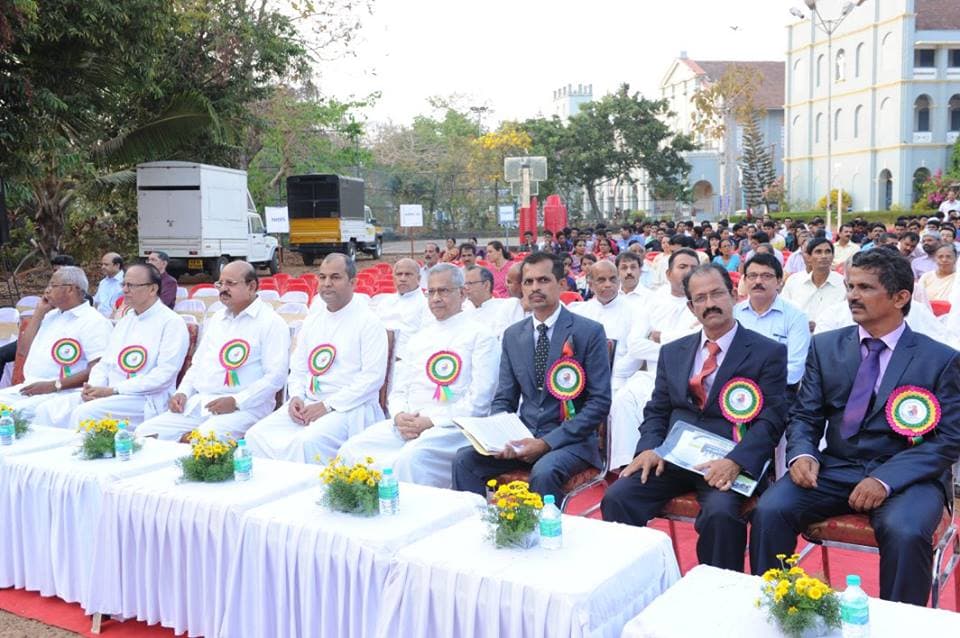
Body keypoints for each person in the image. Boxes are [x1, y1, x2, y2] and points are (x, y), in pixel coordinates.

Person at [751, 249, 960, 605]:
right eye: (849, 286)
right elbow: (805, 414)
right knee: (770, 510)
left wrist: (885, 479)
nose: (851, 295)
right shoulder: (825, 347)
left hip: (908, 478)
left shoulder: (940, 360)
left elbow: (949, 440)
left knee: (906, 532)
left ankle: (899, 624)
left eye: (865, 287)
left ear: (900, 297)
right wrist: (801, 453)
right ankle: (775, 610)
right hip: (836, 468)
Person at [601, 263, 787, 572]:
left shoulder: (767, 352)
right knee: (619, 496)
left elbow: (772, 420)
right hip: (673, 457)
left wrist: (737, 461)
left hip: (727, 461)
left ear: (733, 295)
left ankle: (716, 590)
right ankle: (635, 582)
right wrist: (648, 448)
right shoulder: (674, 351)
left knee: (721, 515)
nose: (710, 303)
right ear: (690, 306)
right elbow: (658, 409)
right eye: (700, 298)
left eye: (717, 294)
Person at [451, 252, 612, 499]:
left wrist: (546, 443)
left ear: (561, 284)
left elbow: (599, 403)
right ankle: (481, 530)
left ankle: (544, 537)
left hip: (570, 441)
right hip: (522, 437)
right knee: (464, 460)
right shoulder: (513, 335)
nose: (535, 288)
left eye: (543, 280)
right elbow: (504, 398)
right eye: (528, 282)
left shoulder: (588, 332)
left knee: (544, 471)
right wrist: (498, 437)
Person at [338, 264, 499, 486]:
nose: (436, 298)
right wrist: (399, 416)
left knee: (411, 459)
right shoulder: (418, 339)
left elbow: (480, 401)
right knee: (352, 449)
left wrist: (431, 421)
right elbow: (399, 390)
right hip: (408, 424)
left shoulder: (481, 336)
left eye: (443, 291)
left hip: (453, 427)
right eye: (430, 292)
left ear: (462, 293)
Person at [244, 254, 387, 462]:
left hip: (349, 407)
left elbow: (372, 379)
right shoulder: (313, 321)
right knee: (255, 436)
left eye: (335, 277)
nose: (327, 284)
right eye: (322, 277)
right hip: (309, 403)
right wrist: (296, 397)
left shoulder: (369, 322)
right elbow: (299, 368)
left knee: (306, 443)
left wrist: (327, 405)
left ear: (353, 283)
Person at [136, 261, 289, 441]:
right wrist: (183, 392)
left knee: (203, 438)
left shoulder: (272, 323)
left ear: (252, 286)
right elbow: (198, 364)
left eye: (230, 284)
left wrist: (236, 401)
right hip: (201, 403)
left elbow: (276, 377)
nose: (223, 289)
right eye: (220, 283)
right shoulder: (217, 318)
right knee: (144, 432)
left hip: (245, 409)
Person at [34, 263, 189, 429]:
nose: (124, 290)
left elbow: (164, 375)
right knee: (47, 410)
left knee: (84, 413)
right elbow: (105, 363)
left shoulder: (172, 323)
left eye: (131, 285)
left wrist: (114, 390)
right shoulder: (127, 319)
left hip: (146, 398)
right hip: (109, 393)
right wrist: (93, 388)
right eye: (124, 284)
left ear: (152, 289)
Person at [607, 249, 712, 469]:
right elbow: (636, 345)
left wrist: (661, 337)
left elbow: (701, 342)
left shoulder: (705, 301)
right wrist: (678, 345)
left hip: (693, 378)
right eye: (682, 267)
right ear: (668, 273)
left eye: (694, 267)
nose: (689, 272)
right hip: (655, 375)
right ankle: (626, 466)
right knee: (625, 398)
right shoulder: (653, 302)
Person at [0, 267, 112, 420]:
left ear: (70, 289)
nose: (47, 290)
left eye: (53, 285)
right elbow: (23, 351)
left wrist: (54, 385)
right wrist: (39, 313)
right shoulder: (51, 315)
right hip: (31, 387)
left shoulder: (94, 321)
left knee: (14, 414)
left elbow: (98, 368)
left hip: (64, 391)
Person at [734, 253, 810, 408]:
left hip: (777, 394)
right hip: (733, 392)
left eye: (766, 276)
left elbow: (795, 369)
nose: (758, 281)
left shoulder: (796, 317)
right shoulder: (734, 314)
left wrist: (755, 387)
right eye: (752, 276)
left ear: (779, 281)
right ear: (745, 280)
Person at [571, 260, 641, 393]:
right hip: (581, 382)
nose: (608, 285)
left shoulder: (635, 311)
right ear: (591, 285)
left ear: (619, 282)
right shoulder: (578, 312)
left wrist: (612, 381)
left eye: (612, 279)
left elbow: (634, 355)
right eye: (601, 280)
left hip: (620, 384)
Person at [371, 259, 427, 388]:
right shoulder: (384, 302)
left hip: (407, 366)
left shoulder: (425, 305)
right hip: (380, 362)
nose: (402, 278)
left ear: (418, 278)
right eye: (399, 274)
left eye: (408, 274)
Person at [780, 237, 847, 332]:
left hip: (831, 339)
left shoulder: (843, 284)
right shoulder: (794, 281)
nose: (824, 256)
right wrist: (801, 324)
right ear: (809, 257)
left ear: (832, 257)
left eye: (828, 252)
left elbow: (848, 318)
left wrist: (821, 326)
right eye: (818, 252)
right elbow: (783, 312)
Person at [92, 252, 124, 316]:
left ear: (117, 265)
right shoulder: (103, 282)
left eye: (106, 265)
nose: (102, 267)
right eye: (102, 264)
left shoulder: (126, 282)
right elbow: (96, 303)